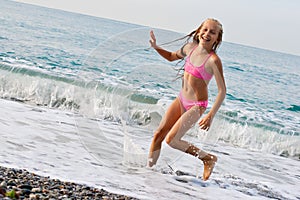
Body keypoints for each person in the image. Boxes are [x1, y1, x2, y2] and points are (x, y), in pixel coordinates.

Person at [147, 18, 226, 181]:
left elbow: (222, 91)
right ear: (199, 31)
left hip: (197, 106)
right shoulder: (190, 48)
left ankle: (207, 158)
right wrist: (156, 47)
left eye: (212, 32)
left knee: (172, 140)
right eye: (205, 30)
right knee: (158, 134)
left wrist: (210, 114)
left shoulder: (213, 60)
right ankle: (148, 172)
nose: (207, 34)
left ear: (217, 38)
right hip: (181, 99)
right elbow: (170, 56)